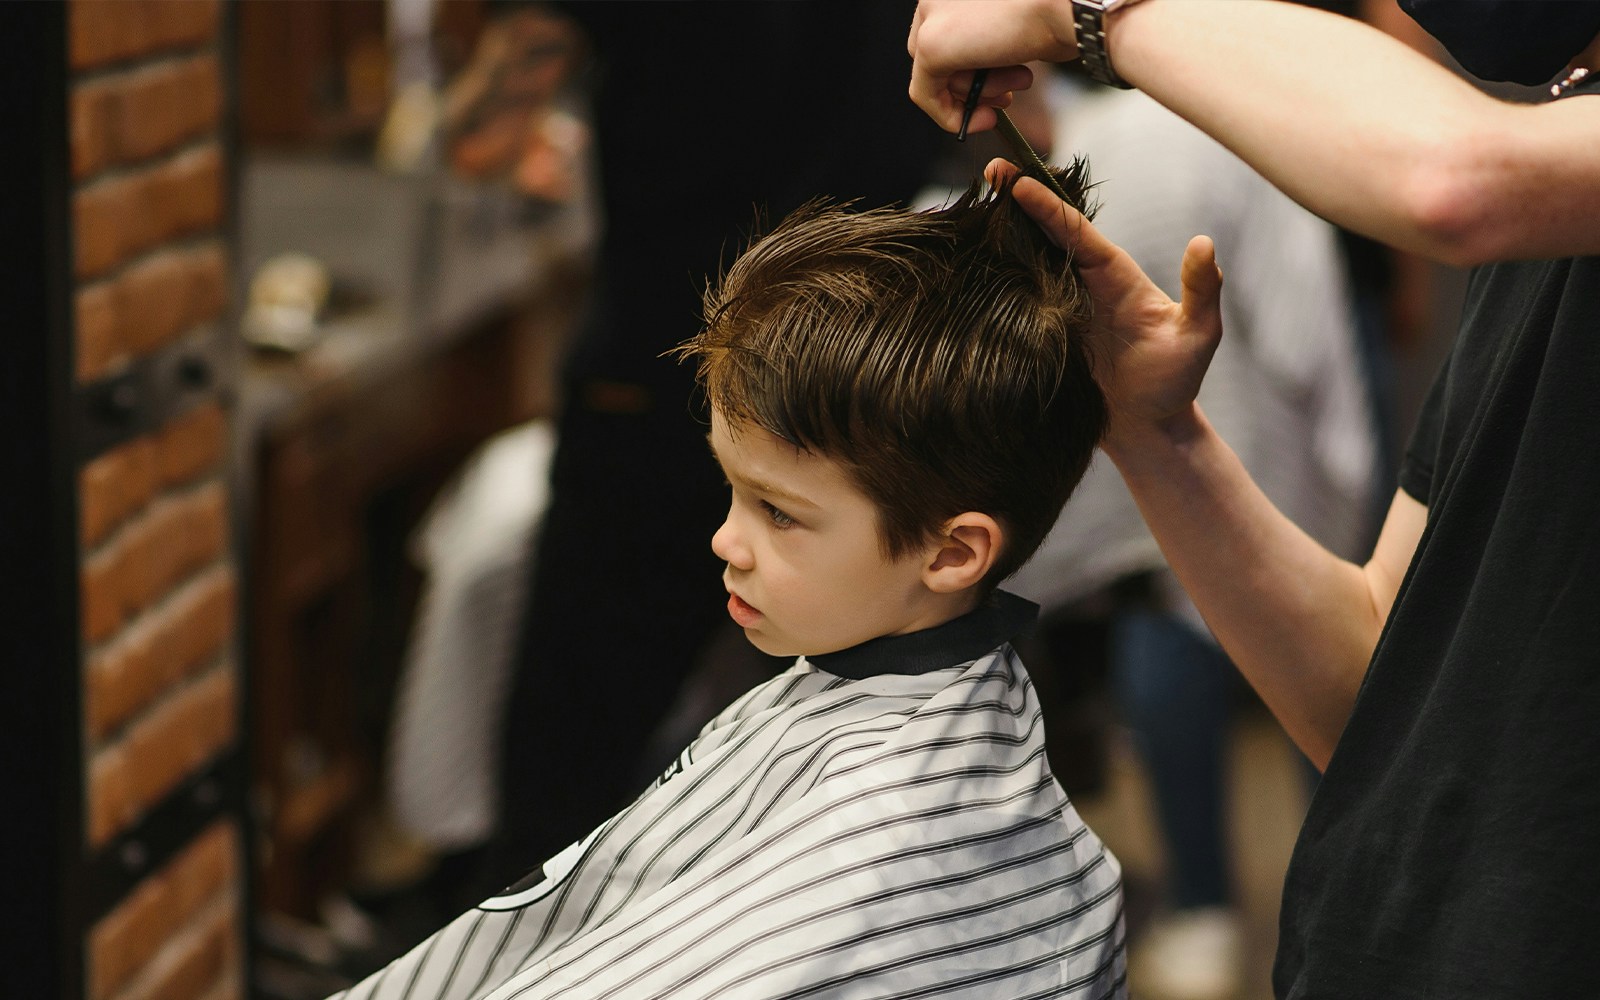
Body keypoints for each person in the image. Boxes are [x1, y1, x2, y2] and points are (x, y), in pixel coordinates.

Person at [908, 1, 1600, 997]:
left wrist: (1081, 15)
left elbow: (1456, 180)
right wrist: (1154, 435)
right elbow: (1377, 687)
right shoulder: (1549, 222)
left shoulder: (1529, 177)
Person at [327, 168, 1127, 1000]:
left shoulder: (873, 853)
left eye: (779, 513)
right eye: (733, 490)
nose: (724, 541)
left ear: (953, 553)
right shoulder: (911, 711)